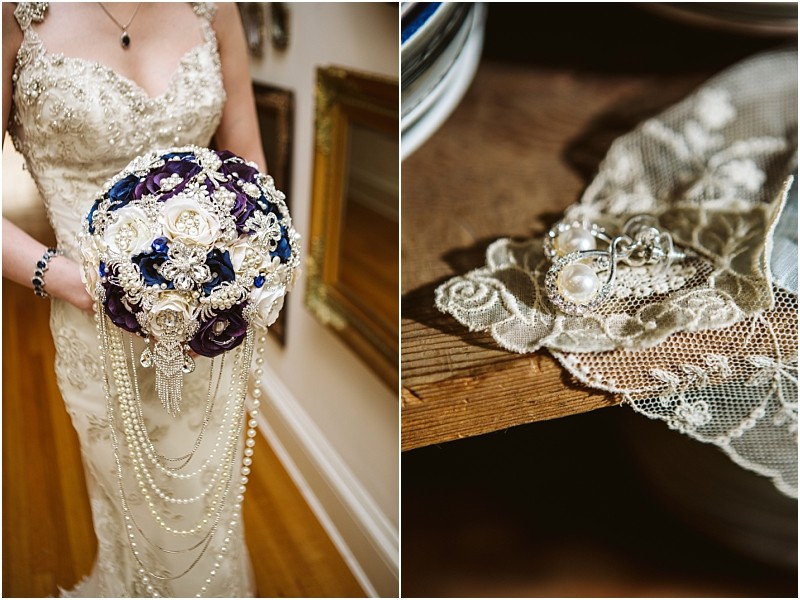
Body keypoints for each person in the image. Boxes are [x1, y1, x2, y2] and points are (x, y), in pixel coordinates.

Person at [3, 3, 266, 596]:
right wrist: (65, 278)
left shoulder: (212, 7)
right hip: (96, 331)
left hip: (207, 325)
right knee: (144, 528)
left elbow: (248, 164)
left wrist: (246, 263)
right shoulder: (16, 16)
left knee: (209, 513)